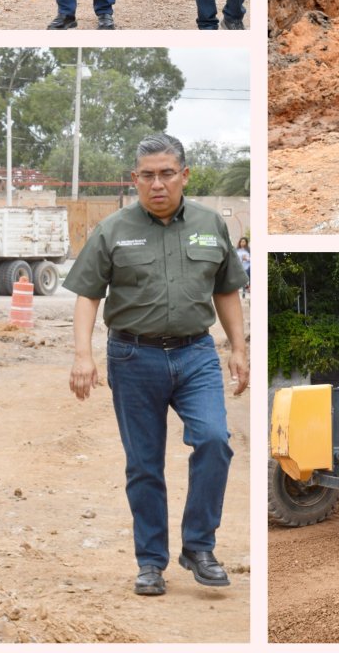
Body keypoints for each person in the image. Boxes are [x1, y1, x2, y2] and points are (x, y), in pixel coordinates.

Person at [64, 133, 249, 597]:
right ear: (135, 179)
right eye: (147, 175)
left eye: (167, 173)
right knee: (144, 465)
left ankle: (199, 547)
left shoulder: (210, 223)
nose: (157, 184)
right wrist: (83, 355)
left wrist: (238, 348)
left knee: (214, 440)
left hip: (195, 355)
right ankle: (150, 562)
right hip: (133, 357)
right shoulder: (113, 229)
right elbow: (88, 295)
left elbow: (226, 289)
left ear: (185, 175)